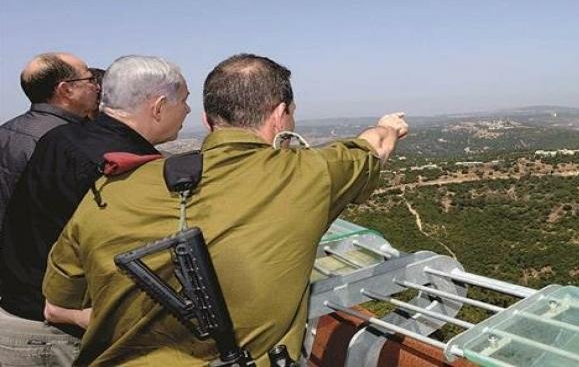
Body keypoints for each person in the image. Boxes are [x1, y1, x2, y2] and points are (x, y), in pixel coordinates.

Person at [42, 53, 408, 366]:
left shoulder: (111, 188)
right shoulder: (309, 174)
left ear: (207, 120)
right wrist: (388, 126)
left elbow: (58, 304)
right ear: (280, 114)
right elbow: (373, 146)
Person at [0, 55, 190, 366]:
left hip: (21, 317)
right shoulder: (121, 166)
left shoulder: (61, 138)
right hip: (60, 336)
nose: (188, 110)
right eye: (183, 100)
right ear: (157, 107)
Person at [0, 52, 99, 230]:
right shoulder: (69, 142)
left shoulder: (6, 130)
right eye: (90, 79)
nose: (97, 87)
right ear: (66, 90)